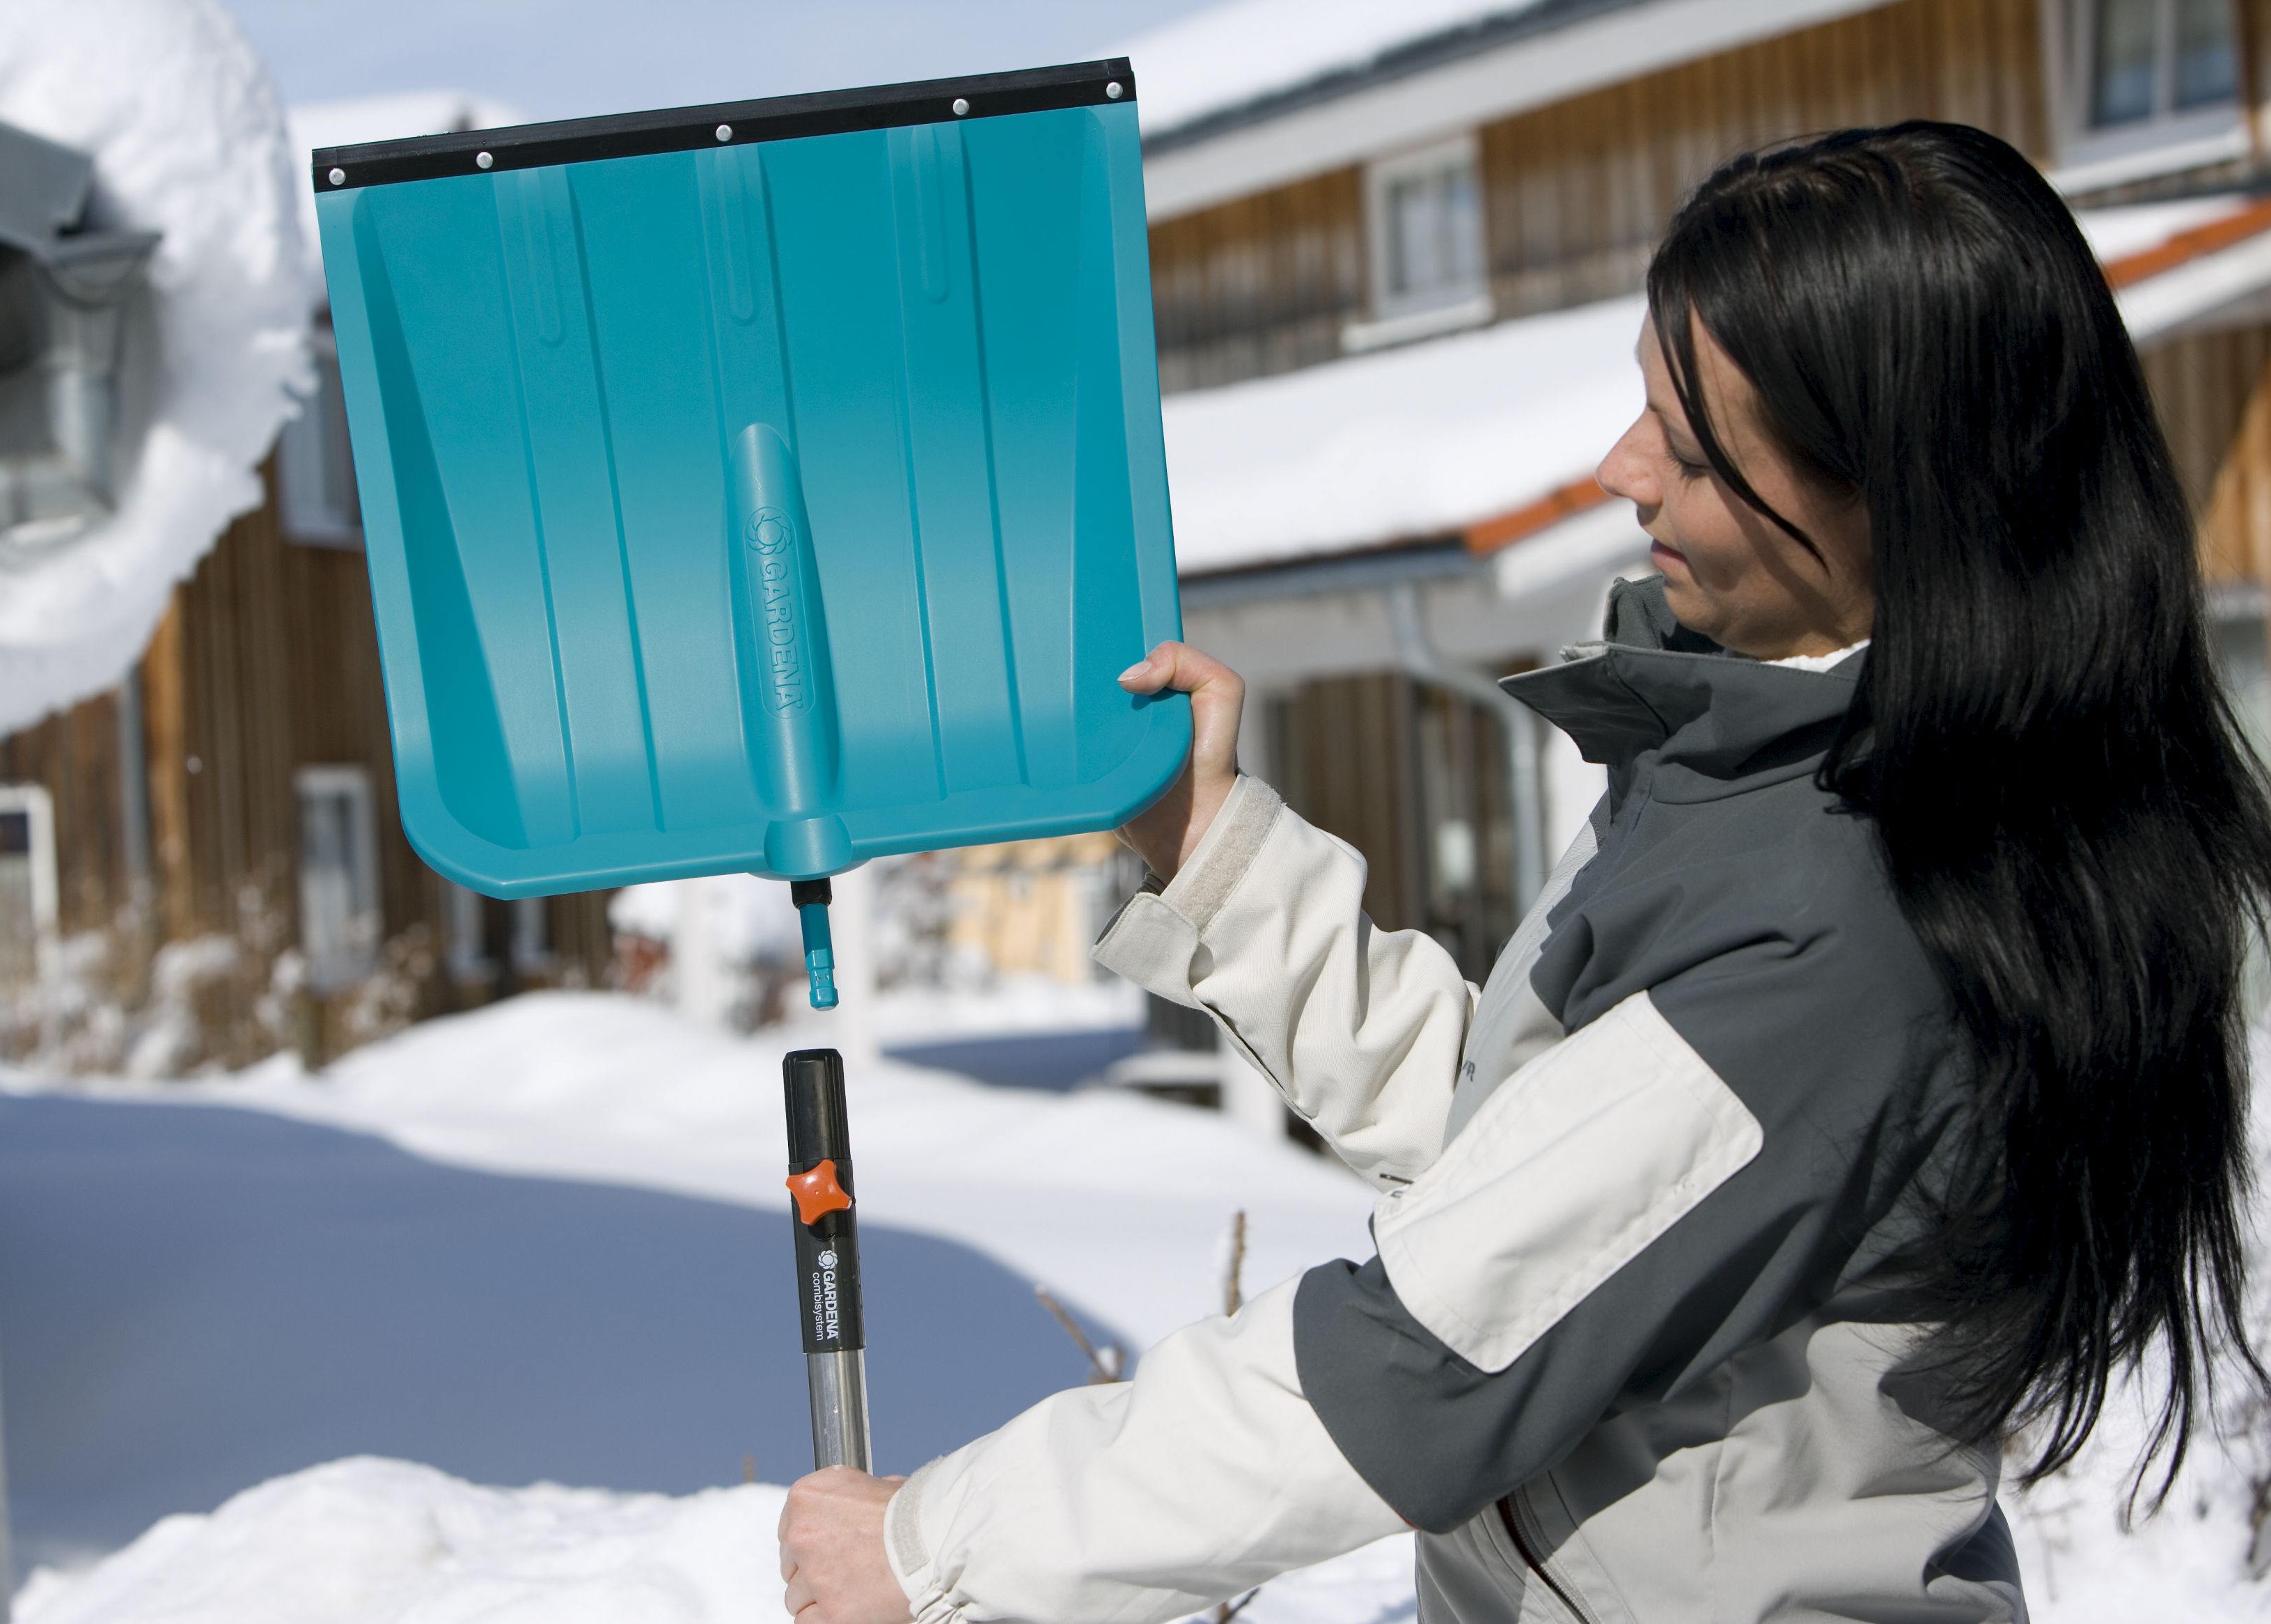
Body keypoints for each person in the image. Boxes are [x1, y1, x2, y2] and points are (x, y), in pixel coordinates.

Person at [776, 120, 2271, 1624]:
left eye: (1690, 449)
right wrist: (1209, 855)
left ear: (1893, 494)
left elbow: (1427, 1352)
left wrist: (935, 1549)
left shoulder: (1843, 917)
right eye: (1642, 406)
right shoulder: (1789, 778)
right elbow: (1539, 1167)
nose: (1621, 470)